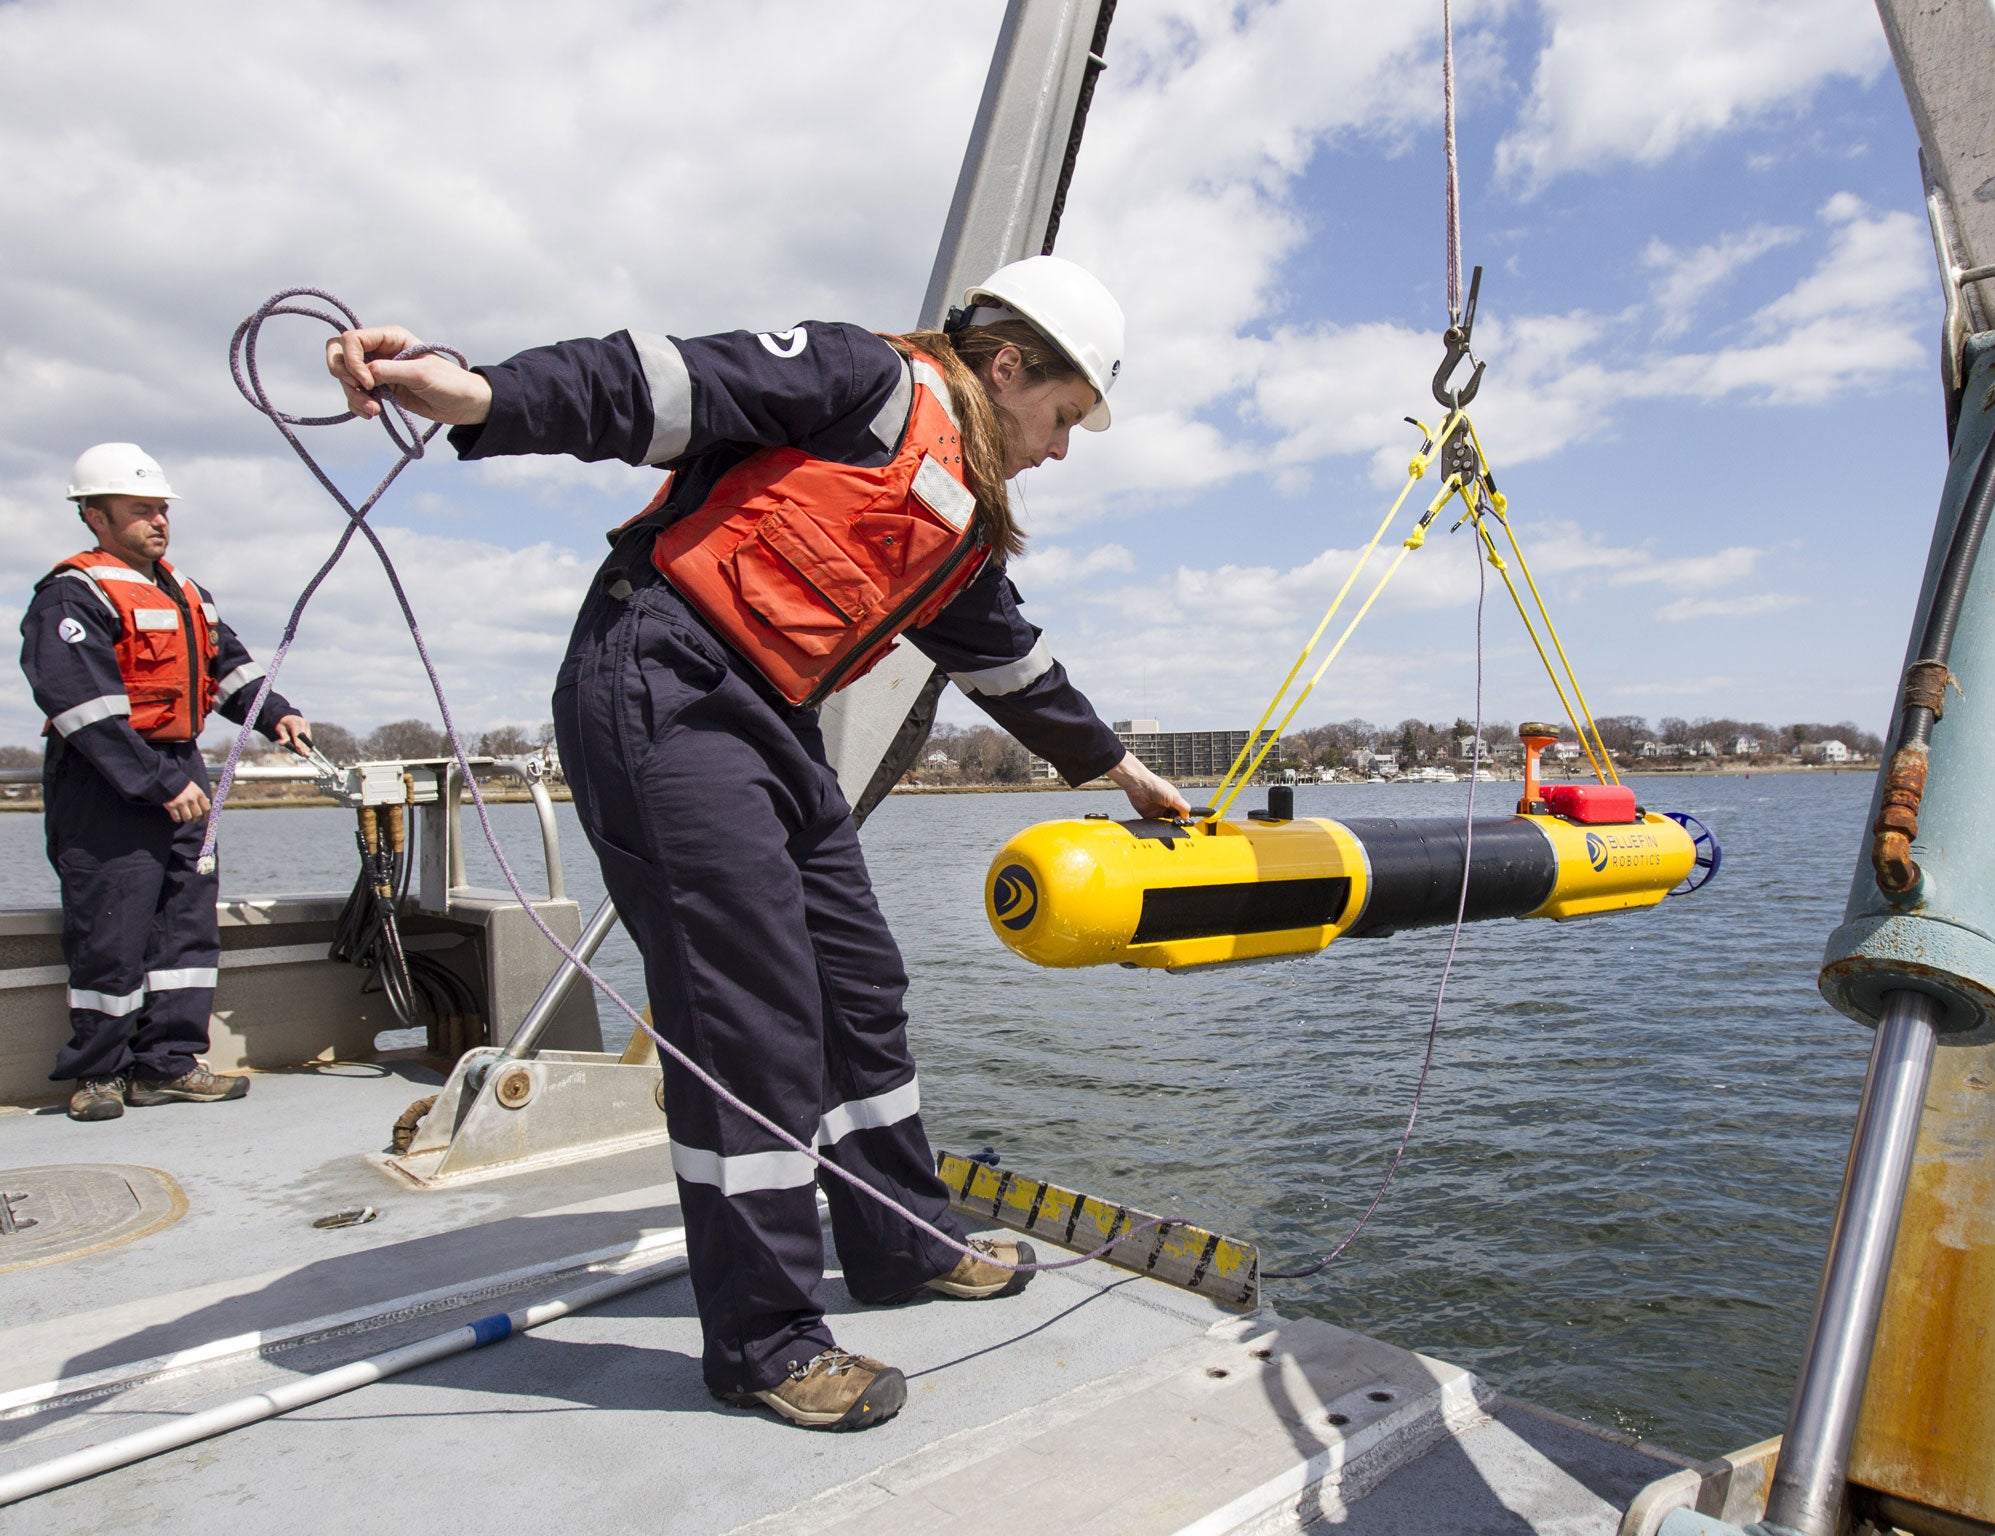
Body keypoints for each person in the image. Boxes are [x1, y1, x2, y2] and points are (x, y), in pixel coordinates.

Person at [324, 255, 1187, 1432]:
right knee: (752, 1014)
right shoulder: (858, 380)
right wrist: (475, 394)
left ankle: (899, 1240)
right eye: (1063, 415)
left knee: (858, 983)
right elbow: (658, 388)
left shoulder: (957, 513)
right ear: (1005, 364)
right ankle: (763, 1337)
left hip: (767, 720)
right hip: (663, 686)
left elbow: (1003, 656)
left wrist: (1115, 768)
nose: (1061, 447)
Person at [19, 444, 313, 1123]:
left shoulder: (186, 594)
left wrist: (277, 714)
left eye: (162, 510)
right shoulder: (72, 594)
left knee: (186, 925)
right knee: (111, 929)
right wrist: (154, 783)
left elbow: (230, 669)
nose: (158, 521)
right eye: (140, 510)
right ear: (95, 516)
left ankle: (170, 1065)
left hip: (180, 771)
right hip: (108, 782)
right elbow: (79, 706)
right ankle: (99, 1075)